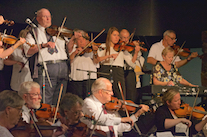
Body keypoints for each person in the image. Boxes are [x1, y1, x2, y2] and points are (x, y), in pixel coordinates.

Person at [23, 8, 69, 105]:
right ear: (38, 18)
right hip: (47, 67)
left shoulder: (59, 32)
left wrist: (73, 39)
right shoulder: (33, 32)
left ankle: (55, 118)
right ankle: (44, 118)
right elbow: (28, 51)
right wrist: (43, 45)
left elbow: (68, 49)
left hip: (63, 66)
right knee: (46, 98)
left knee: (59, 98)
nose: (48, 19)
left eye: (49, 16)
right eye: (45, 16)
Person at [81, 77, 149, 137]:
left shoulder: (109, 107)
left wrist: (137, 115)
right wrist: (122, 119)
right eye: (110, 91)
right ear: (101, 92)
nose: (112, 94)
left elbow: (119, 127)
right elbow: (98, 119)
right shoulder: (88, 102)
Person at [98, 27, 140, 99]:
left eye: (118, 36)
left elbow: (132, 64)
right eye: (115, 35)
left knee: (120, 95)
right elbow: (98, 59)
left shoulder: (122, 48)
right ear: (109, 36)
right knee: (106, 94)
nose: (117, 38)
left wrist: (136, 53)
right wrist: (109, 56)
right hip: (105, 70)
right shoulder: (103, 46)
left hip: (118, 72)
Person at [68, 30, 99, 99]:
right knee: (77, 99)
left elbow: (96, 61)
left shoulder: (90, 49)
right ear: (76, 41)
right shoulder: (72, 48)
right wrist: (75, 53)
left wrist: (95, 52)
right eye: (79, 40)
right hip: (76, 79)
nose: (82, 41)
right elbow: (68, 61)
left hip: (90, 78)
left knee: (90, 98)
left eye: (84, 39)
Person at [119, 29, 144, 101]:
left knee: (132, 96)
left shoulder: (129, 47)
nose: (126, 40)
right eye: (124, 38)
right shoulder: (122, 49)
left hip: (131, 74)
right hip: (125, 73)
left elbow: (138, 58)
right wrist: (135, 52)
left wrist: (137, 50)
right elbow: (131, 64)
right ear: (120, 38)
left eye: (127, 37)